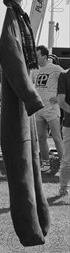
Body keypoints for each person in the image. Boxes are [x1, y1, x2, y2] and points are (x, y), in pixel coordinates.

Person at [0, 0, 49, 246]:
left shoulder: (18, 17)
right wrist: (32, 98)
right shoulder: (11, 20)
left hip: (22, 110)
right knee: (21, 171)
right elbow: (10, 57)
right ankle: (30, 231)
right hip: (17, 107)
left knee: (32, 163)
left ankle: (41, 223)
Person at [31, 45, 65, 171]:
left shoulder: (56, 68)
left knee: (56, 137)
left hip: (51, 108)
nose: (35, 57)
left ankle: (64, 165)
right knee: (41, 137)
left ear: (44, 56)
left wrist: (59, 97)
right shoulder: (34, 71)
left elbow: (67, 80)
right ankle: (45, 164)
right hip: (38, 109)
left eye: (37, 55)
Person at [57, 67, 70, 197]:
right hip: (69, 125)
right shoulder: (64, 75)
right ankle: (64, 187)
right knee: (67, 159)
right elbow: (61, 101)